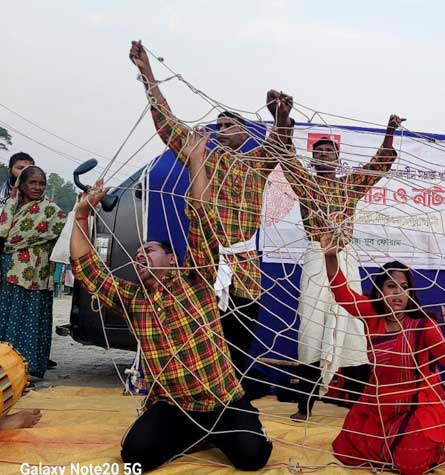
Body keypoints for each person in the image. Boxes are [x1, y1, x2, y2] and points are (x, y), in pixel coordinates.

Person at [70, 130, 271, 472]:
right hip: (174, 405)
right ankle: (194, 433)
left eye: (148, 250)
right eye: (137, 253)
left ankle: (223, 426)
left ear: (173, 259)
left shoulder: (197, 279)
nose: (140, 255)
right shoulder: (133, 298)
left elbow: (202, 219)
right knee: (135, 456)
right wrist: (81, 215)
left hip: (222, 401)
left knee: (253, 458)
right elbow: (87, 269)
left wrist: (196, 161)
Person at [129, 41, 295, 394]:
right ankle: (198, 396)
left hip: (245, 271)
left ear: (245, 133)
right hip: (204, 266)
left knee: (239, 342)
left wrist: (280, 117)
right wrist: (148, 74)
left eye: (229, 124)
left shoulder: (257, 163)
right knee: (202, 340)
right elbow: (167, 124)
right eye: (218, 125)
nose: (222, 129)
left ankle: (233, 399)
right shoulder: (201, 157)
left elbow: (281, 144)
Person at [277, 114, 404, 421]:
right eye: (318, 152)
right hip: (317, 259)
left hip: (345, 258)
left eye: (329, 151)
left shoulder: (350, 186)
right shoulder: (305, 184)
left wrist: (389, 132)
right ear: (313, 159)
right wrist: (282, 122)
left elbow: (379, 165)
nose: (323, 155)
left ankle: (360, 408)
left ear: (337, 158)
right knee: (312, 328)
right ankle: (304, 406)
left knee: (353, 329)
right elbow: (287, 157)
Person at [318, 231, 445, 475]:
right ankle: (398, 448)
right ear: (380, 291)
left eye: (404, 287)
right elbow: (342, 293)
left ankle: (427, 448)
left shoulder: (423, 324)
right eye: (391, 286)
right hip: (378, 405)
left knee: (410, 461)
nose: (398, 293)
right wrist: (330, 257)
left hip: (418, 407)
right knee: (346, 448)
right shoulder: (372, 315)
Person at [0, 166, 67, 379]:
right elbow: (3, 237)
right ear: (21, 184)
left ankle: (30, 368)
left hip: (37, 273)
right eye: (32, 182)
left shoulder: (51, 211)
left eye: (41, 183)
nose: (37, 187)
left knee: (33, 316)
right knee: (8, 316)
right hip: (10, 269)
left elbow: (68, 232)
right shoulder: (10, 206)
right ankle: (5, 367)